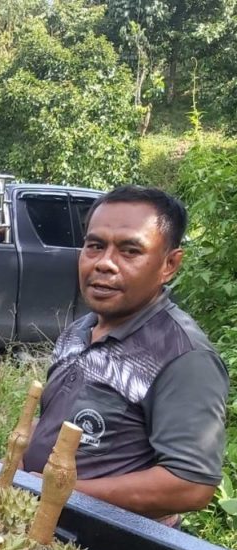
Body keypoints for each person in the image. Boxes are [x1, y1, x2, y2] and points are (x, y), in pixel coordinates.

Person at [22, 184, 228, 525]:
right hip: (39, 525)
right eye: (95, 246)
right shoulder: (80, 329)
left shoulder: (183, 356)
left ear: (169, 265)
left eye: (130, 251)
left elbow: (190, 484)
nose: (104, 263)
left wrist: (62, 493)